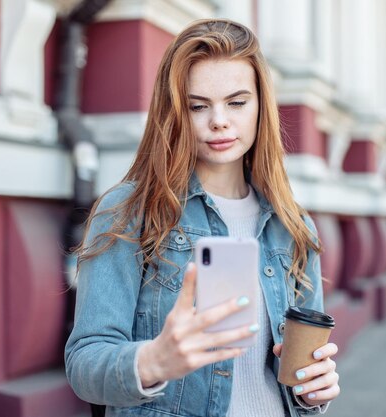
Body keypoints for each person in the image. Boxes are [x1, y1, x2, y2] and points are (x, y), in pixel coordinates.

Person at [65, 18, 340, 417]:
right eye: (198, 106)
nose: (219, 121)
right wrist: (154, 359)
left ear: (261, 105)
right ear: (174, 111)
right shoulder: (127, 212)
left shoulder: (294, 226)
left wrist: (314, 391)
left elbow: (300, 372)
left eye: (237, 102)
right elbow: (84, 364)